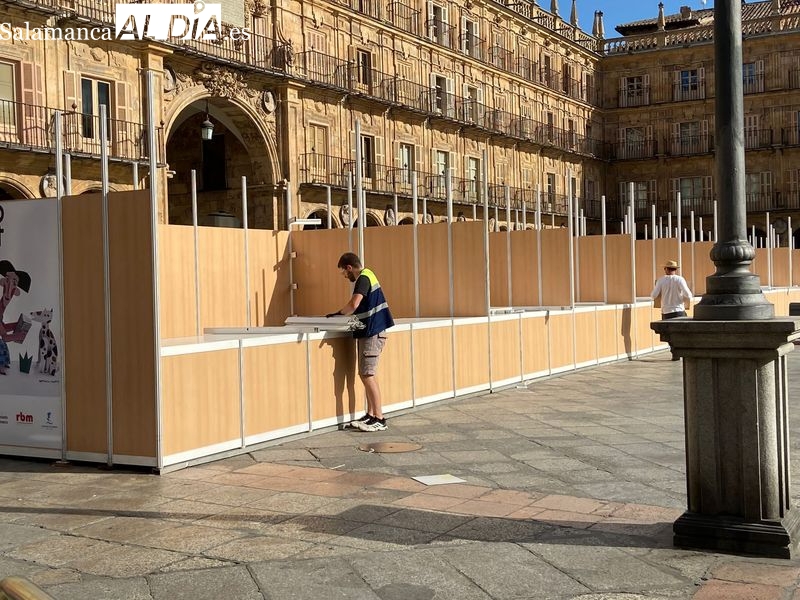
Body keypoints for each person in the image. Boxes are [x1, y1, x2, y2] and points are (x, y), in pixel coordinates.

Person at [327, 252, 394, 431]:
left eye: (343, 272)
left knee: (367, 374)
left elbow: (354, 304)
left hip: (372, 332)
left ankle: (379, 418)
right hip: (370, 331)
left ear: (349, 268)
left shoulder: (363, 278)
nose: (344, 276)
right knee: (367, 374)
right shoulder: (369, 275)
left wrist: (337, 315)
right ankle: (371, 415)